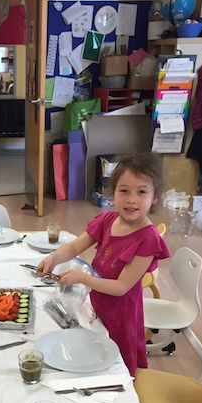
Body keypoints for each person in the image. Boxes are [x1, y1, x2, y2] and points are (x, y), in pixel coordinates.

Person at [39, 152, 170, 378]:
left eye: (141, 192)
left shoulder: (148, 239)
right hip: (98, 301)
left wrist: (82, 278)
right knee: (94, 351)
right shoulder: (108, 220)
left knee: (117, 363)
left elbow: (121, 287)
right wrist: (54, 257)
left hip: (122, 312)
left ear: (155, 196)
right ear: (113, 192)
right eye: (124, 190)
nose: (131, 199)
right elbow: (74, 247)